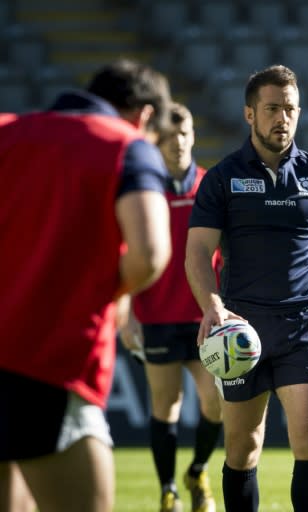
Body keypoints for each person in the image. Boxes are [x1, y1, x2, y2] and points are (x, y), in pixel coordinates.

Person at [185, 64, 308, 512]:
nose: (281, 118)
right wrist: (211, 306)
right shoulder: (223, 178)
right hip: (241, 331)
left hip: (303, 325)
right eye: (271, 109)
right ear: (250, 114)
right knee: (243, 447)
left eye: (289, 109)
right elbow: (197, 252)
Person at [0, 58, 173, 512]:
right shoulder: (127, 145)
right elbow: (151, 253)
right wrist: (110, 292)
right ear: (146, 117)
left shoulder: (6, 130)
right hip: (47, 364)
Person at [119, 103, 222, 512]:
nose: (178, 142)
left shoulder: (211, 186)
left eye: (185, 133)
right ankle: (168, 491)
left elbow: (228, 254)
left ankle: (197, 471)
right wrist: (126, 314)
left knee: (215, 403)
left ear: (193, 136)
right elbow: (123, 251)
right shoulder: (144, 192)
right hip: (155, 315)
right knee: (166, 406)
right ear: (156, 140)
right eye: (169, 135)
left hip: (204, 318)